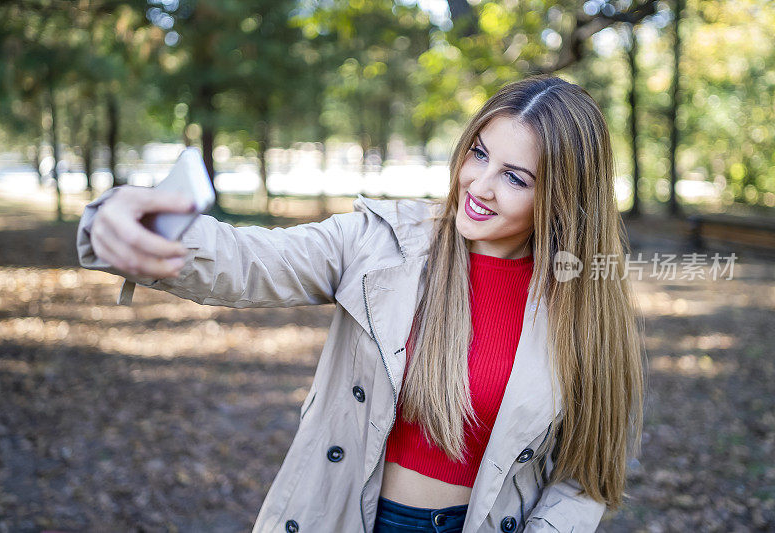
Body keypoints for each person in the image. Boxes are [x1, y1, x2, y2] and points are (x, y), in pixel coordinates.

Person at [76, 74, 644, 533]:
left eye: (515, 177)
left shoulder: (583, 307)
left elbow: (587, 473)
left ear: (563, 195)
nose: (478, 183)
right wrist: (133, 214)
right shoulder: (382, 242)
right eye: (478, 153)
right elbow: (247, 258)